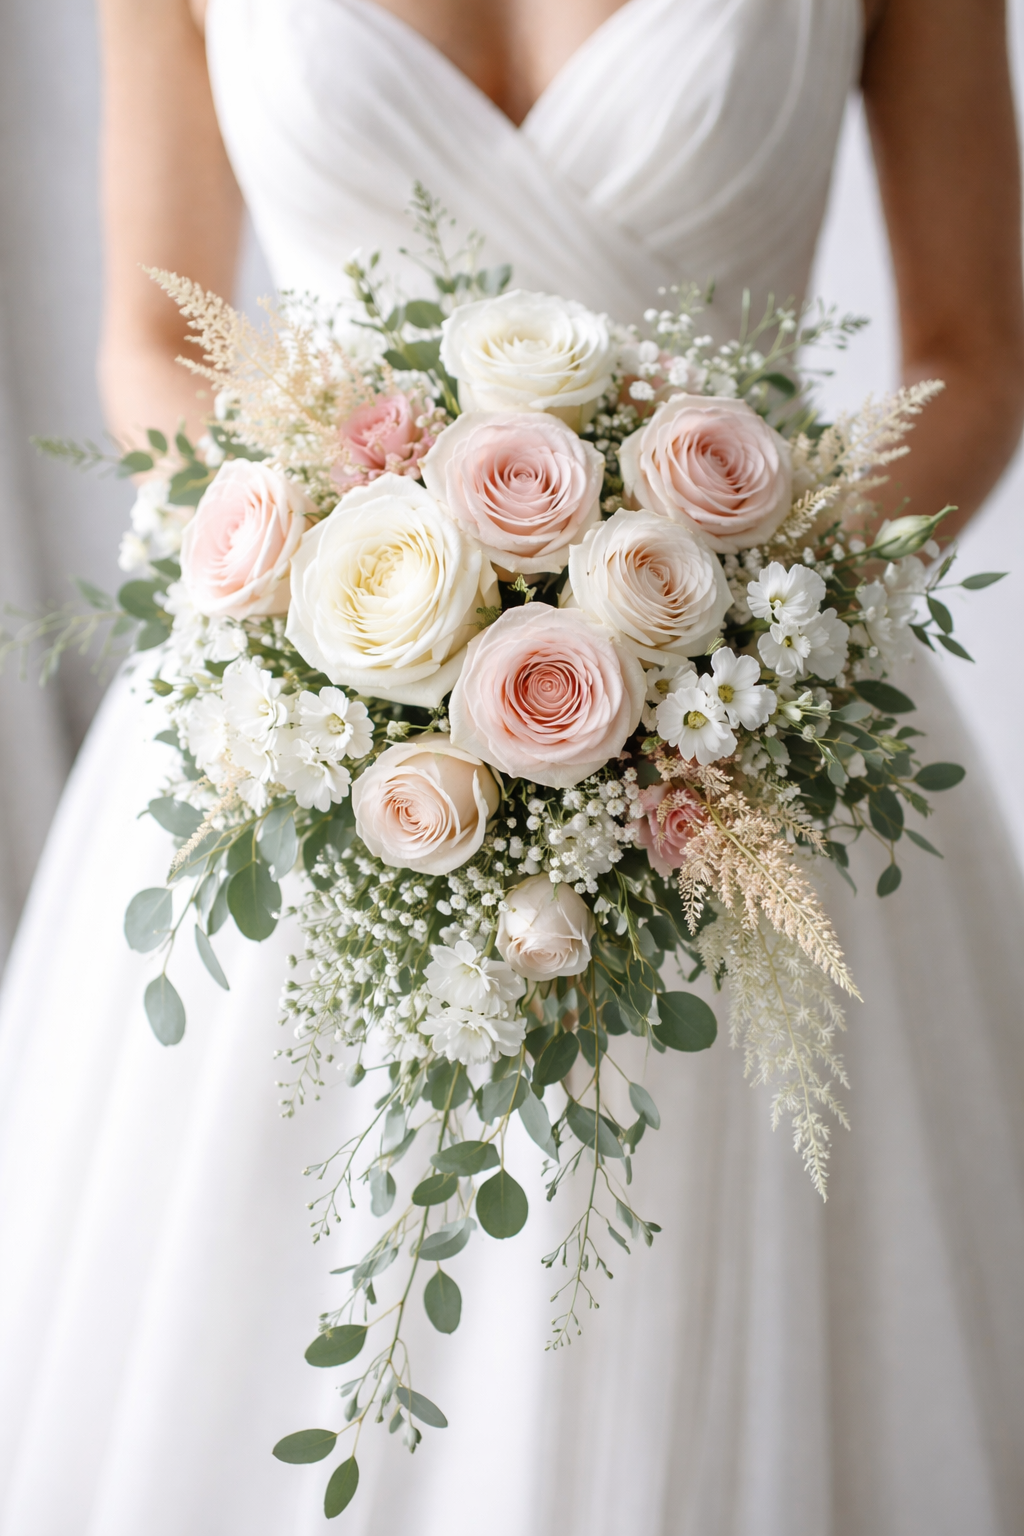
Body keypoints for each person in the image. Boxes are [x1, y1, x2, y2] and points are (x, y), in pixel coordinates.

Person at [0, 1, 1022, 1531]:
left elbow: (973, 353)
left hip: (749, 746)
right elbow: (154, 332)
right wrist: (325, 617)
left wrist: (747, 617)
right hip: (310, 723)